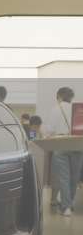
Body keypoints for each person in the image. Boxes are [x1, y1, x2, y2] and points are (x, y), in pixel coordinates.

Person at [46, 87, 83, 216]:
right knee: (74, 178)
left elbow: (50, 129)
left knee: (63, 177)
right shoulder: (78, 108)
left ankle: (66, 207)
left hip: (61, 142)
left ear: (59, 96)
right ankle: (69, 204)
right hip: (77, 143)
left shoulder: (56, 108)